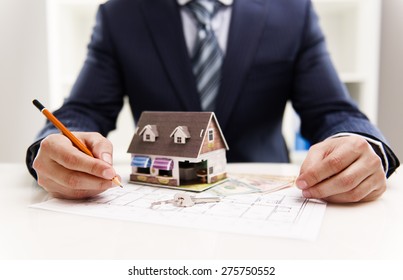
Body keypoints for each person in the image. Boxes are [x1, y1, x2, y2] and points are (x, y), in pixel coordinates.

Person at [27, 0, 399, 202]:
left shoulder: (293, 11)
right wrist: (56, 144)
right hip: (161, 208)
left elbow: (332, 109)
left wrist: (363, 146)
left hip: (271, 201)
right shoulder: (119, 14)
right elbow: (84, 109)